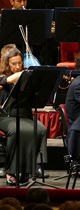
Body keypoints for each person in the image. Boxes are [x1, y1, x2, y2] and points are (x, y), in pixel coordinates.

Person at [0, 48, 48, 185]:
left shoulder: (27, 76)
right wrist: (9, 80)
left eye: (19, 63)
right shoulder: (3, 77)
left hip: (24, 115)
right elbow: (4, 81)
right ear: (7, 64)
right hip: (5, 117)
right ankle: (11, 170)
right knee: (16, 130)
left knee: (40, 129)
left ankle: (29, 170)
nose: (16, 67)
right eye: (13, 64)